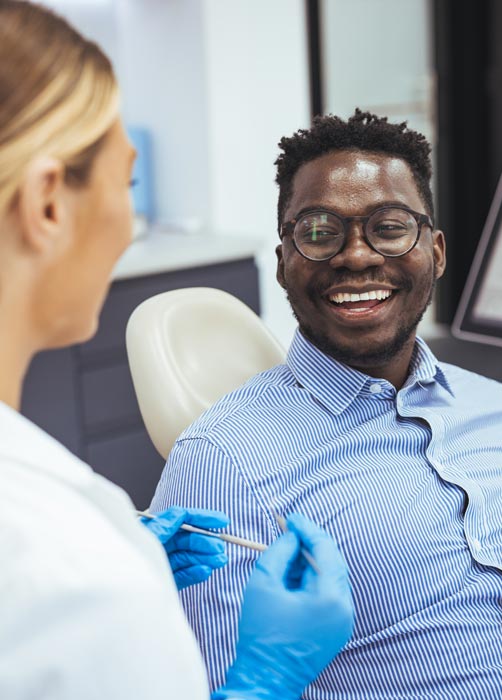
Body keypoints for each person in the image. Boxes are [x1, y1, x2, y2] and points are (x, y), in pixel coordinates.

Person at [152, 108, 502, 699]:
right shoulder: (223, 462)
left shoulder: (500, 412)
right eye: (318, 231)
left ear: (435, 252)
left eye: (389, 227)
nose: (356, 256)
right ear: (285, 263)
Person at [0, 2, 353, 699]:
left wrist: (131, 552)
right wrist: (261, 684)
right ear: (47, 203)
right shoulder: (66, 565)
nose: (130, 225)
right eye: (125, 184)